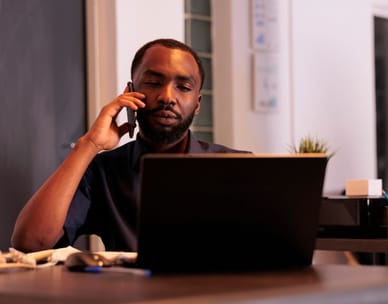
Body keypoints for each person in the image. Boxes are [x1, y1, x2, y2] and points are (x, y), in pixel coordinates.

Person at [11, 38, 249, 253]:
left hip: (217, 299)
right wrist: (89, 144)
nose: (167, 96)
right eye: (154, 82)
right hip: (136, 300)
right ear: (130, 92)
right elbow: (31, 242)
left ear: (197, 104)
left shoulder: (240, 167)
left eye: (183, 88)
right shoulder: (103, 173)